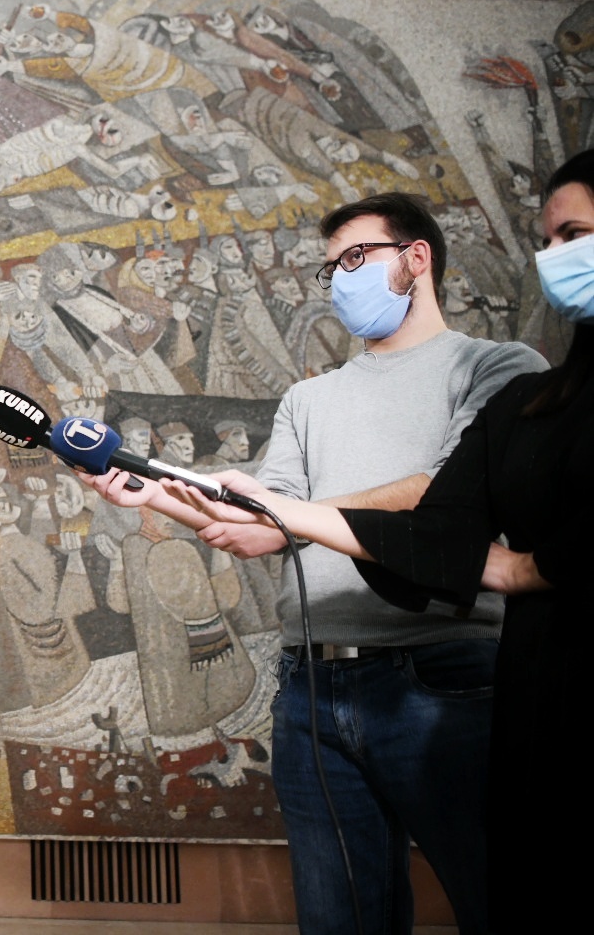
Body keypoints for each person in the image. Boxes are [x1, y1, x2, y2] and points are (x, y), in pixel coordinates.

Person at [79, 193, 545, 935]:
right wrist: (150, 495)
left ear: (416, 258)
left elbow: (443, 490)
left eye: (356, 259)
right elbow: (266, 520)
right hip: (311, 684)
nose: (340, 279)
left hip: (444, 677)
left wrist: (289, 516)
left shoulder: (499, 365)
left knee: (502, 903)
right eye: (331, 268)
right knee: (340, 921)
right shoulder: (308, 397)